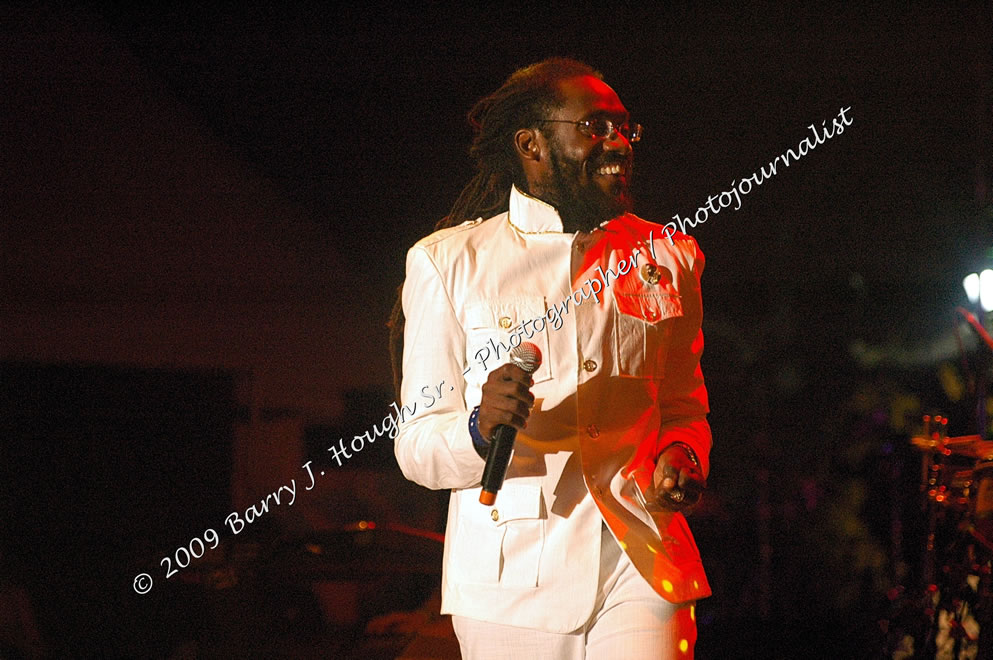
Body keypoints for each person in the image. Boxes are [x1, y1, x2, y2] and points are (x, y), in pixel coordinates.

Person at [390, 57, 712, 659]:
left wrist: (682, 452)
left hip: (640, 561)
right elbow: (416, 447)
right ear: (530, 145)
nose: (619, 142)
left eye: (625, 128)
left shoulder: (669, 255)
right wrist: (479, 428)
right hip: (511, 583)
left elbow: (682, 407)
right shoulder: (449, 262)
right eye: (595, 127)